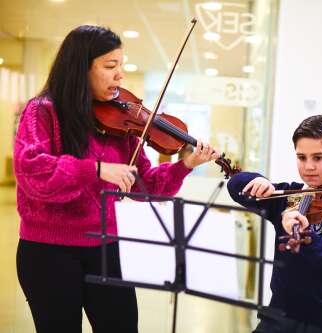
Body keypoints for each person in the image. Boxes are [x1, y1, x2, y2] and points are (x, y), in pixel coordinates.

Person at [13, 25, 218, 333]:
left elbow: (144, 185)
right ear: (80, 68)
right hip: (48, 252)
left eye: (121, 65)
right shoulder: (43, 111)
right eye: (111, 66)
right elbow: (33, 172)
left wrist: (184, 165)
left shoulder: (119, 123)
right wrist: (94, 169)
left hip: (106, 246)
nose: (120, 75)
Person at [227, 115, 322, 333]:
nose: (309, 166)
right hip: (280, 311)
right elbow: (236, 187)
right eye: (301, 157)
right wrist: (259, 180)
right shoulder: (289, 195)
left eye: (318, 157)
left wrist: (305, 230)